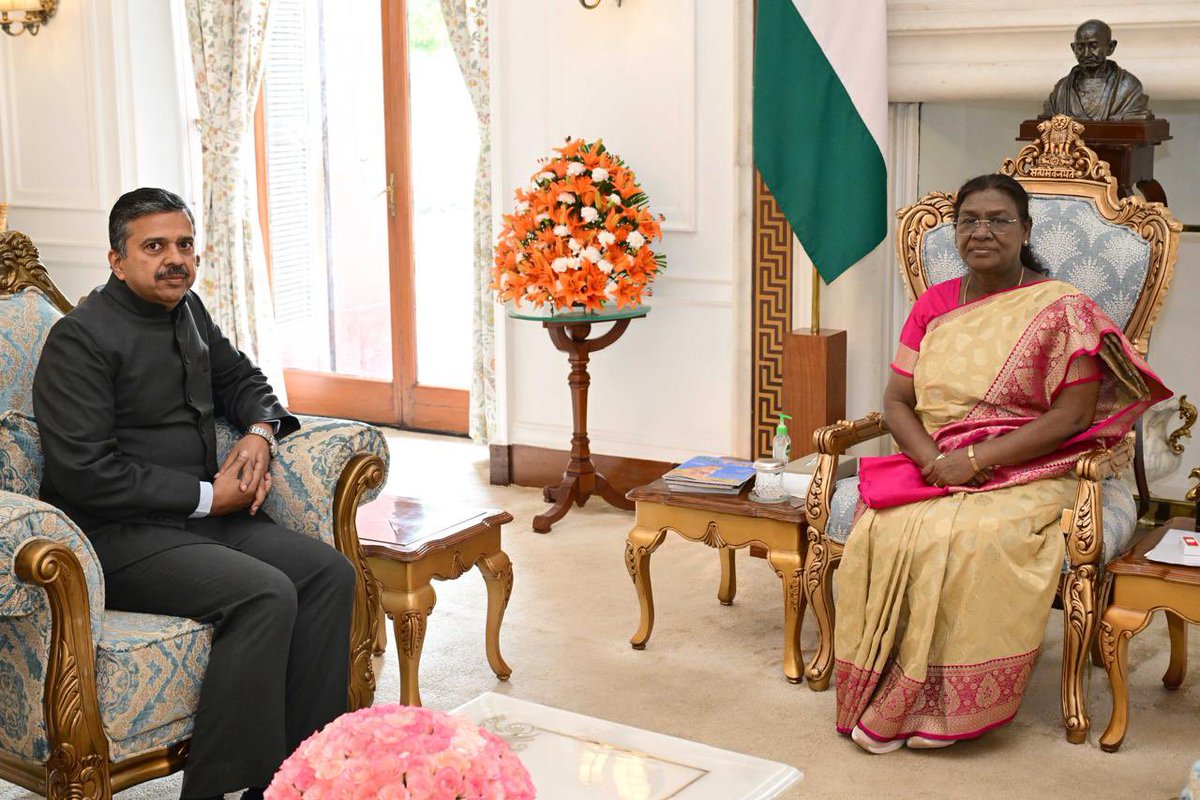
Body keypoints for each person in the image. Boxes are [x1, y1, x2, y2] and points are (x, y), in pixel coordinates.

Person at [32, 188, 356, 799]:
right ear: (116, 259)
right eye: (153, 246)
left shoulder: (189, 310)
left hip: (203, 522)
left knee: (329, 574)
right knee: (264, 593)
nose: (174, 259)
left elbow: (244, 380)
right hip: (117, 537)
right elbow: (85, 473)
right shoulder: (80, 338)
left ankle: (306, 776)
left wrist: (260, 431)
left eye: (184, 245)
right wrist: (210, 497)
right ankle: (218, 789)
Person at [833, 174, 1169, 753]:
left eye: (998, 220)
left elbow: (1070, 416)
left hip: (1039, 465)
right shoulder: (934, 305)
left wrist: (974, 459)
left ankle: (949, 704)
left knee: (974, 535)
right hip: (938, 461)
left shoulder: (1062, 308)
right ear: (955, 231)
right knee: (886, 532)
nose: (981, 231)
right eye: (968, 220)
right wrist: (936, 459)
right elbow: (896, 400)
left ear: (1025, 230)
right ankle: (890, 691)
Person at [1042, 19, 1152, 120]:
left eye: (1093, 46)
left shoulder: (1128, 87)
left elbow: (1138, 119)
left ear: (1110, 47)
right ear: (1073, 48)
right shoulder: (1061, 89)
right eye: (1080, 47)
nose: (1086, 53)